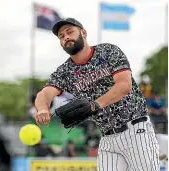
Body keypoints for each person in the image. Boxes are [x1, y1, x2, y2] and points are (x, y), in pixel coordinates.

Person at [34, 18, 159, 171]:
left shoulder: (108, 51)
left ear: (83, 32)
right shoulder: (65, 72)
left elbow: (124, 86)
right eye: (61, 36)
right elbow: (45, 94)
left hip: (136, 130)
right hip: (107, 138)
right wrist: (42, 109)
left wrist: (95, 104)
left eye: (69, 32)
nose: (65, 37)